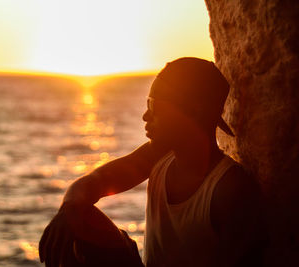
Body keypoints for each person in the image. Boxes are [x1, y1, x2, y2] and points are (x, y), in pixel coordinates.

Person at [39, 57, 264, 267]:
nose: (145, 116)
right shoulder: (157, 157)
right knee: (78, 216)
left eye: (154, 105)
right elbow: (95, 181)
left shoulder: (230, 190)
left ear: (193, 112)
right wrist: (69, 209)